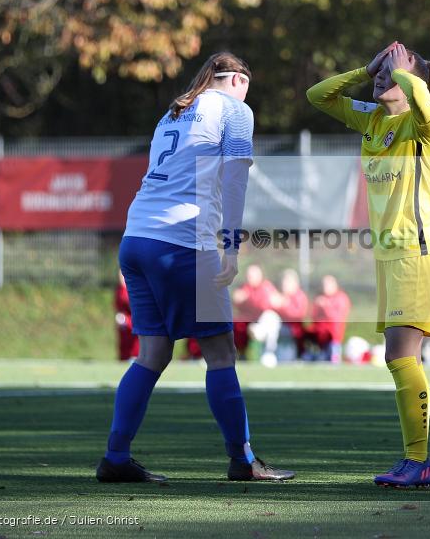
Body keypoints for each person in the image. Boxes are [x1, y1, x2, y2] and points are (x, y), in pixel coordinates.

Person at [96, 52, 294, 483]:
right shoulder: (235, 110)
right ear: (239, 81)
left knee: (153, 353)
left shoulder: (175, 111)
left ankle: (115, 457)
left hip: (136, 237)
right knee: (220, 352)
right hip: (182, 241)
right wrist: (231, 247)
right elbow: (235, 180)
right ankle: (243, 460)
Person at [307, 41, 430, 487]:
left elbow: (426, 105)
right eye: (380, 72)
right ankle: (414, 460)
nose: (381, 78)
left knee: (400, 356)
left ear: (411, 84)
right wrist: (366, 68)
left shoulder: (424, 125)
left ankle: (418, 461)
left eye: (389, 74)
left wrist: (405, 71)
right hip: (389, 257)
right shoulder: (372, 119)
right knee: (399, 358)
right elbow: (318, 96)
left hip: (418, 253)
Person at [232, 264, 281, 360]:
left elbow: (269, 303)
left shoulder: (266, 287)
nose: (250, 278)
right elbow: (237, 300)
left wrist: (249, 298)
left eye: (253, 275)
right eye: (249, 275)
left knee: (271, 317)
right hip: (249, 322)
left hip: (263, 322)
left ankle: (269, 353)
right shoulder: (245, 287)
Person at [305, 275, 352, 362]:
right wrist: (316, 306)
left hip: (333, 337)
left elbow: (337, 317)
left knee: (332, 359)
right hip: (319, 336)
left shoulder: (341, 297)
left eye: (328, 284)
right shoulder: (319, 297)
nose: (325, 287)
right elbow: (312, 317)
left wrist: (326, 306)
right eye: (323, 284)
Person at [271, 269, 309, 361]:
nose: (284, 285)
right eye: (284, 282)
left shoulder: (299, 296)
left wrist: (284, 305)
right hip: (281, 330)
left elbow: (298, 315)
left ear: (295, 283)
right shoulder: (281, 296)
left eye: (288, 282)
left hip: (293, 332)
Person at [114, 270, 140, 361]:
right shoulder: (120, 290)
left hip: (134, 333)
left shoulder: (135, 291)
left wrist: (126, 321)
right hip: (124, 332)